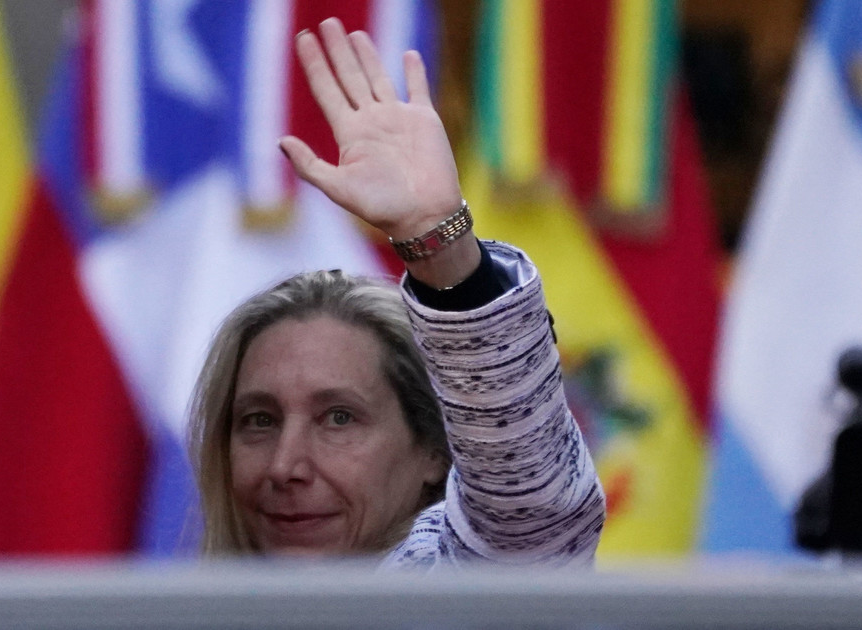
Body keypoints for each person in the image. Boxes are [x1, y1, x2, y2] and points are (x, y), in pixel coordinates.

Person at [188, 18, 604, 567]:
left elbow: (534, 510)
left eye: (339, 417)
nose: (285, 467)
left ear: (434, 449)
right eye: (259, 421)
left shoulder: (462, 592)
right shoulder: (176, 606)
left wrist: (438, 244)